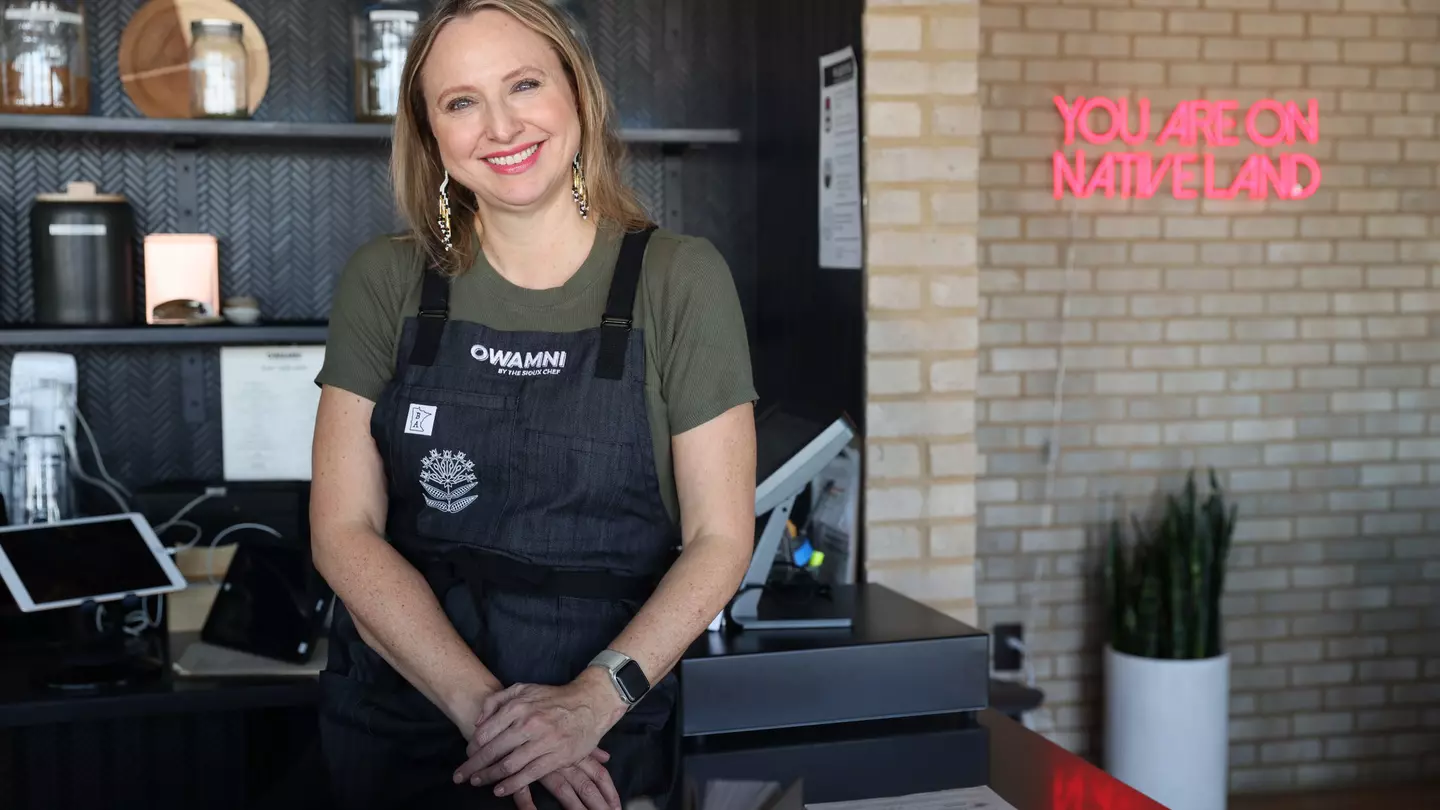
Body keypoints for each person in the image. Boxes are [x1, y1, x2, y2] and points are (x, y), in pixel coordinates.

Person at [308, 1, 758, 808]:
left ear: (577, 95)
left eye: (524, 84)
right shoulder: (384, 281)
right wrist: (492, 717)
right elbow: (344, 531)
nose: (501, 126)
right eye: (461, 102)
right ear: (431, 133)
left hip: (605, 752)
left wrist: (589, 704)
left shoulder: (680, 279)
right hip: (405, 732)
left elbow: (720, 539)